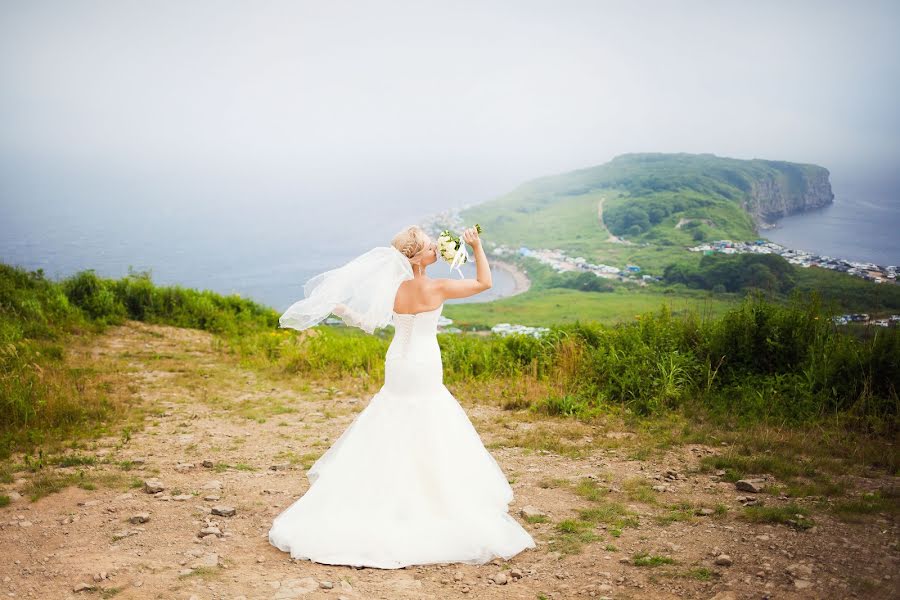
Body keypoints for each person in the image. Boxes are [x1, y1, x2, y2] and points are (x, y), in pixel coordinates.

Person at [268, 225, 536, 569]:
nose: (435, 250)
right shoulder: (436, 286)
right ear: (417, 258)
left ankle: (380, 494)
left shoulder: (391, 289)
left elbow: (367, 322)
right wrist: (477, 247)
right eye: (429, 248)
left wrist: (341, 309)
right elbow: (485, 283)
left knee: (391, 419)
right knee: (428, 421)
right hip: (424, 363)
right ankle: (430, 497)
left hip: (396, 362)